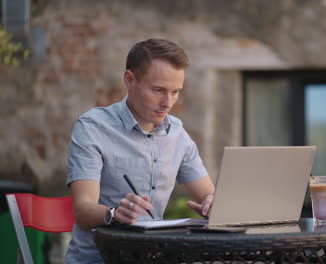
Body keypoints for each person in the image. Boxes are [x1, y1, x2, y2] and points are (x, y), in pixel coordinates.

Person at [64, 38, 215, 264]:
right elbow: (83, 212)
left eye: (175, 92)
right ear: (130, 80)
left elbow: (209, 196)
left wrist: (212, 203)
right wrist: (115, 214)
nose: (168, 102)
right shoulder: (92, 127)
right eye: (158, 90)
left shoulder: (178, 134)